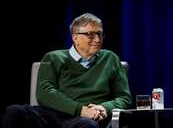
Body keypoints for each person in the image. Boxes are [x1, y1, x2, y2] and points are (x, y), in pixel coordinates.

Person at [2, 13, 132, 128]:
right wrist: (80, 109)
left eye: (99, 34)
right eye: (90, 35)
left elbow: (124, 97)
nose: (97, 39)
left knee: (87, 125)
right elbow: (44, 92)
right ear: (75, 38)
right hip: (53, 114)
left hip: (88, 117)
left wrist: (105, 108)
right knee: (14, 111)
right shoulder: (53, 57)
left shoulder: (110, 58)